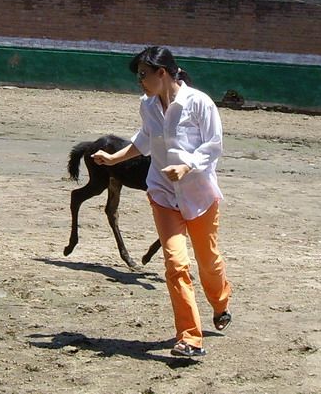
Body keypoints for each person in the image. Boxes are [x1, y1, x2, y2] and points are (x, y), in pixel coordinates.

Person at [91, 46, 232, 357]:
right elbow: (145, 138)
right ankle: (190, 337)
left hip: (199, 196)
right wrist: (115, 157)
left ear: (162, 73)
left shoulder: (199, 103)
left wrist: (186, 166)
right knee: (176, 265)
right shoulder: (148, 105)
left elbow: (215, 144)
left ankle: (221, 301)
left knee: (208, 261)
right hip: (163, 195)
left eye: (143, 74)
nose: (139, 81)